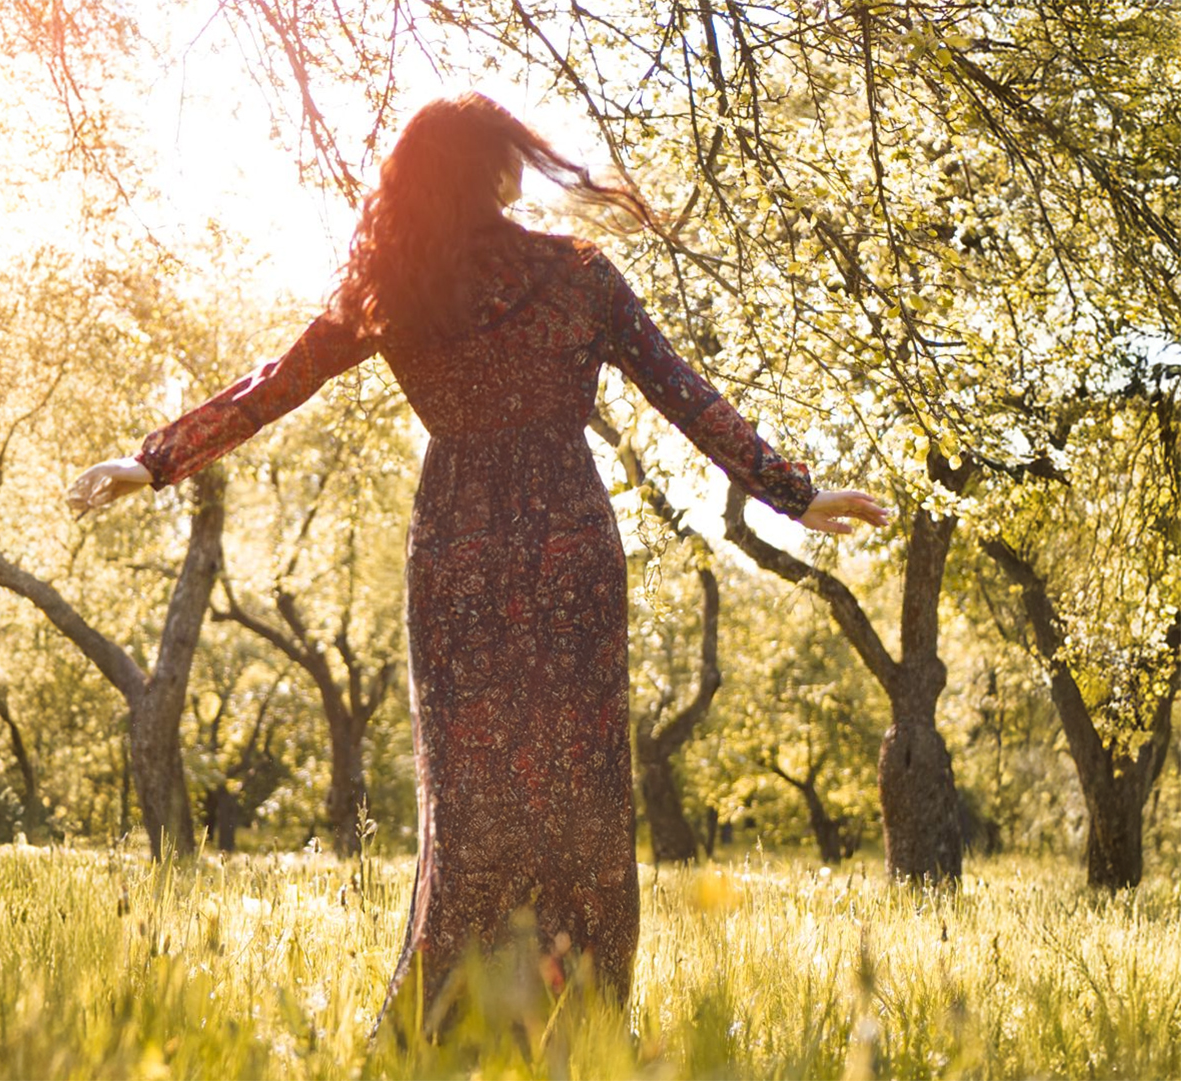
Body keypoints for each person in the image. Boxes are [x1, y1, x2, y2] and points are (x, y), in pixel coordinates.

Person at [65, 93, 887, 1026]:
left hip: (456, 545)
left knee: (469, 807)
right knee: (581, 797)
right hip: (567, 539)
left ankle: (445, 1026)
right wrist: (792, 492)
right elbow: (683, 393)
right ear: (496, 170)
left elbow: (271, 386)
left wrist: (155, 459)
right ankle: (578, 1022)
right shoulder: (576, 275)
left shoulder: (391, 288)